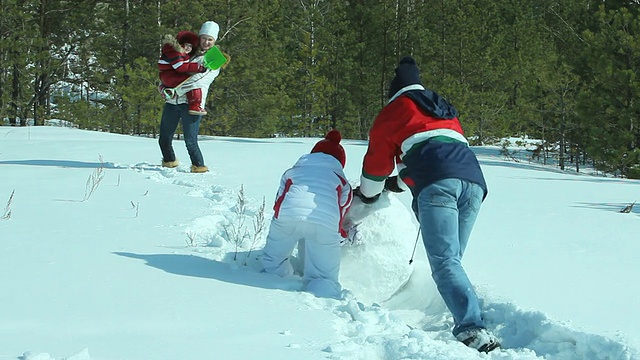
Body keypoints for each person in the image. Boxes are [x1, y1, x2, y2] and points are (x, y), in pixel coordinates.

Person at [353, 56, 500, 352]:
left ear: (394, 90)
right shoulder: (443, 108)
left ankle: (473, 330)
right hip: (473, 184)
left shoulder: (394, 111)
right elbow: (433, 148)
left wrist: (369, 194)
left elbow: (376, 165)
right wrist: (400, 182)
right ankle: (468, 315)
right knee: (451, 260)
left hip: (438, 185)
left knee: (445, 262)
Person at [261, 130, 353, 299]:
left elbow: (280, 196)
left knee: (273, 262)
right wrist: (340, 231)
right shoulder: (340, 180)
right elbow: (343, 206)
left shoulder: (293, 171)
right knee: (324, 275)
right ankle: (323, 297)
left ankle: (275, 283)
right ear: (339, 161)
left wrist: (279, 217)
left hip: (287, 217)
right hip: (324, 225)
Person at [158, 21, 223, 173]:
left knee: (190, 141)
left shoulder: (214, 59)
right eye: (204, 38)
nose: (206, 42)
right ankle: (169, 163)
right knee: (164, 138)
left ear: (214, 41)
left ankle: (199, 167)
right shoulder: (188, 51)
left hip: (192, 104)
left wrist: (174, 89)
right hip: (172, 101)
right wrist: (163, 85)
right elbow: (171, 70)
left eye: (210, 39)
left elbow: (197, 80)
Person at [158, 30, 208, 116]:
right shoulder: (175, 53)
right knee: (193, 84)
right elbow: (181, 67)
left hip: (168, 76)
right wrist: (197, 67)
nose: (188, 48)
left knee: (188, 79)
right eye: (186, 45)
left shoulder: (180, 53)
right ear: (180, 44)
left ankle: (164, 88)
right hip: (170, 77)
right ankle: (195, 105)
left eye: (191, 46)